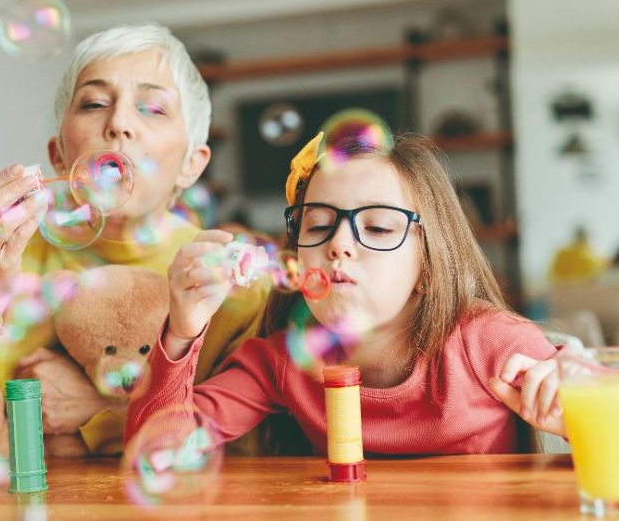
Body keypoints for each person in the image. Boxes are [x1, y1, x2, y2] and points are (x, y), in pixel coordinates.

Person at [0, 23, 269, 456]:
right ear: (59, 155)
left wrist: (102, 408)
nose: (119, 123)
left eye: (153, 108)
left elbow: (248, 455)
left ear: (191, 166)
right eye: (94, 103)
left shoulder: (226, 275)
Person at [125, 132, 566, 456]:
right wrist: (183, 329)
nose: (338, 244)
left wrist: (571, 413)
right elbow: (155, 452)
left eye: (376, 227)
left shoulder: (489, 343)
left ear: (429, 266)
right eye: (317, 225)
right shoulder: (283, 362)